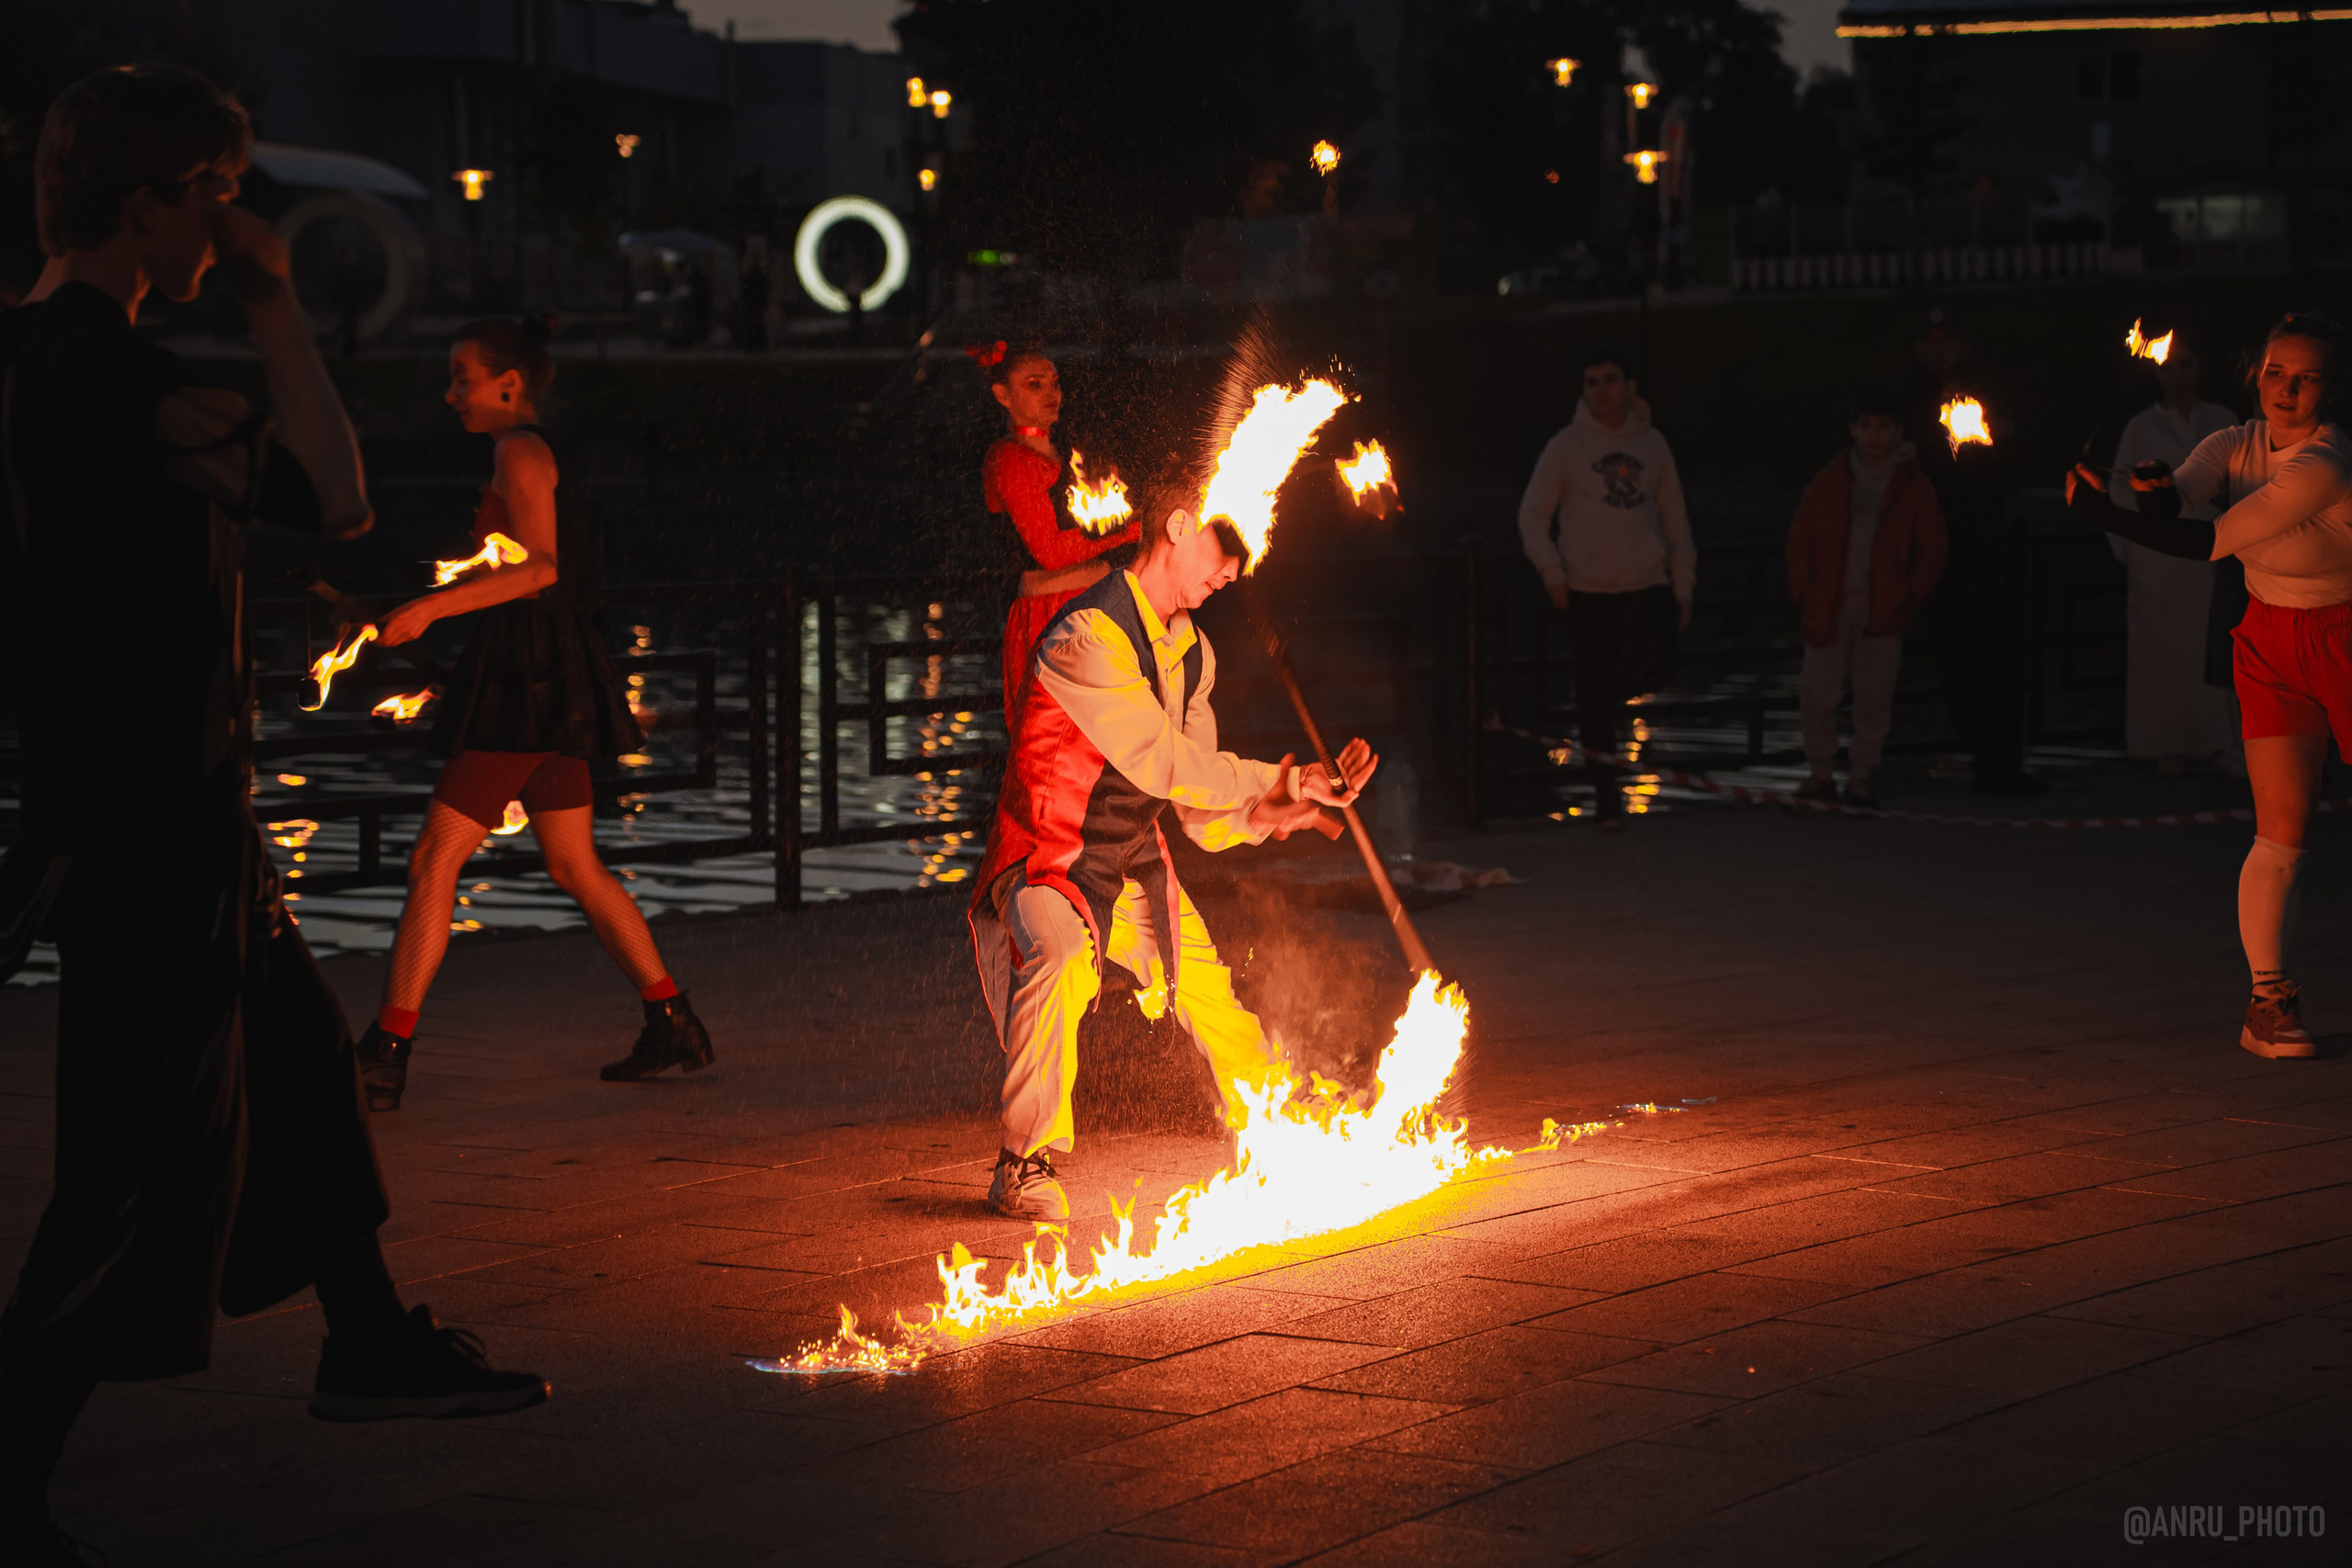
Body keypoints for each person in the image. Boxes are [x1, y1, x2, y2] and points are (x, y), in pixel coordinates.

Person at [0, 66, 546, 1566]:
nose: (231, 218)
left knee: (301, 1068)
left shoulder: (27, 352)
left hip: (160, 814)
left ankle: (367, 1344)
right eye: (215, 192)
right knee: (118, 1170)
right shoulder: (103, 372)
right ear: (149, 202)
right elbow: (334, 487)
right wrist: (275, 301)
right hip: (152, 820)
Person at [968, 495, 1374, 1221]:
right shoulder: (1087, 634)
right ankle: (1020, 1161)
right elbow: (1163, 763)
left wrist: (1277, 809)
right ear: (1181, 525)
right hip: (1046, 854)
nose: (1233, 573)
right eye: (1225, 555)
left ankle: (1281, 1124)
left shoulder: (1193, 651)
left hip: (1129, 860)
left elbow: (1196, 809)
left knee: (1208, 990)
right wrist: (1281, 777)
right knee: (1060, 956)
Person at [356, 317, 712, 1107]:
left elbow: (540, 568)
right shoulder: (524, 451)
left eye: (462, 377)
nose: (451, 394)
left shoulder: (519, 450)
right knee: (572, 863)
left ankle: (386, 1048)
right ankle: (671, 1018)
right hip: (548, 671)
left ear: (509, 384)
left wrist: (428, 609)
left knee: (432, 861)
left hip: (528, 679)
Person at [2068, 311, 2352, 1061]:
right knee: (2282, 833)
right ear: (2254, 372)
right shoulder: (2234, 440)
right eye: (2275, 372)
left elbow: (2211, 540)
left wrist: (2099, 511)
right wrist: (2150, 490)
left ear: (2330, 386)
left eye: (2308, 376)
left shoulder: (2325, 460)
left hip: (2346, 634)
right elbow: (2181, 500)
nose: (2287, 389)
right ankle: (2268, 1003)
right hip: (2269, 637)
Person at [1514, 349, 1693, 829]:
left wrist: (1684, 584)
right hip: (1588, 590)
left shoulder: (1653, 444)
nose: (1601, 390)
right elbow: (1532, 514)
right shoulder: (1566, 446)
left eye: (1610, 380)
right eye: (1591, 382)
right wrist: (1552, 572)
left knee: (1656, 670)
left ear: (1628, 387)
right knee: (1594, 700)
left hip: (1646, 584)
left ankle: (1619, 753)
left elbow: (1675, 519)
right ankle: (1606, 794)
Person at [1899, 308, 2044, 796]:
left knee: (1998, 654)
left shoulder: (1983, 389)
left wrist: (1995, 442)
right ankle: (1984, 756)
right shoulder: (1908, 402)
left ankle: (2002, 761)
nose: (1939, 349)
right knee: (1956, 656)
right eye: (1930, 340)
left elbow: (2014, 452)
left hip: (1987, 541)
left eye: (1947, 339)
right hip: (1938, 547)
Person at [1786, 391, 1948, 809]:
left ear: (1897, 432)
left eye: (1882, 427)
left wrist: (1908, 593)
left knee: (1873, 697)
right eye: (1867, 426)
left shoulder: (1913, 486)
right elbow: (1800, 537)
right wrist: (1804, 589)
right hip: (1830, 604)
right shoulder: (1831, 480)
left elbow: (1932, 546)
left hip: (1881, 606)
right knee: (1816, 693)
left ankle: (1860, 777)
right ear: (1853, 430)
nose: (1874, 436)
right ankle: (1821, 774)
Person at [978, 343, 1141, 726]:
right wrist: (1131, 532)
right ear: (1003, 395)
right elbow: (1049, 551)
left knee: (1111, 737)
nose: (1051, 394)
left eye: (1054, 382)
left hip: (1100, 604)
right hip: (1051, 615)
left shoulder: (1071, 454)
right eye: (1034, 385)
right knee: (1057, 741)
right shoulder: (1009, 458)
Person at [2108, 332, 2239, 773]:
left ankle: (2221, 741)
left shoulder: (2223, 420)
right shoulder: (2141, 427)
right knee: (2160, 652)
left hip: (2212, 548)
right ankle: (2165, 744)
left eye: (2186, 365)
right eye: (2169, 366)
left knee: (2214, 642)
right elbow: (2121, 491)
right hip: (2159, 557)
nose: (2178, 375)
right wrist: (2135, 547)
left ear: (2199, 369)